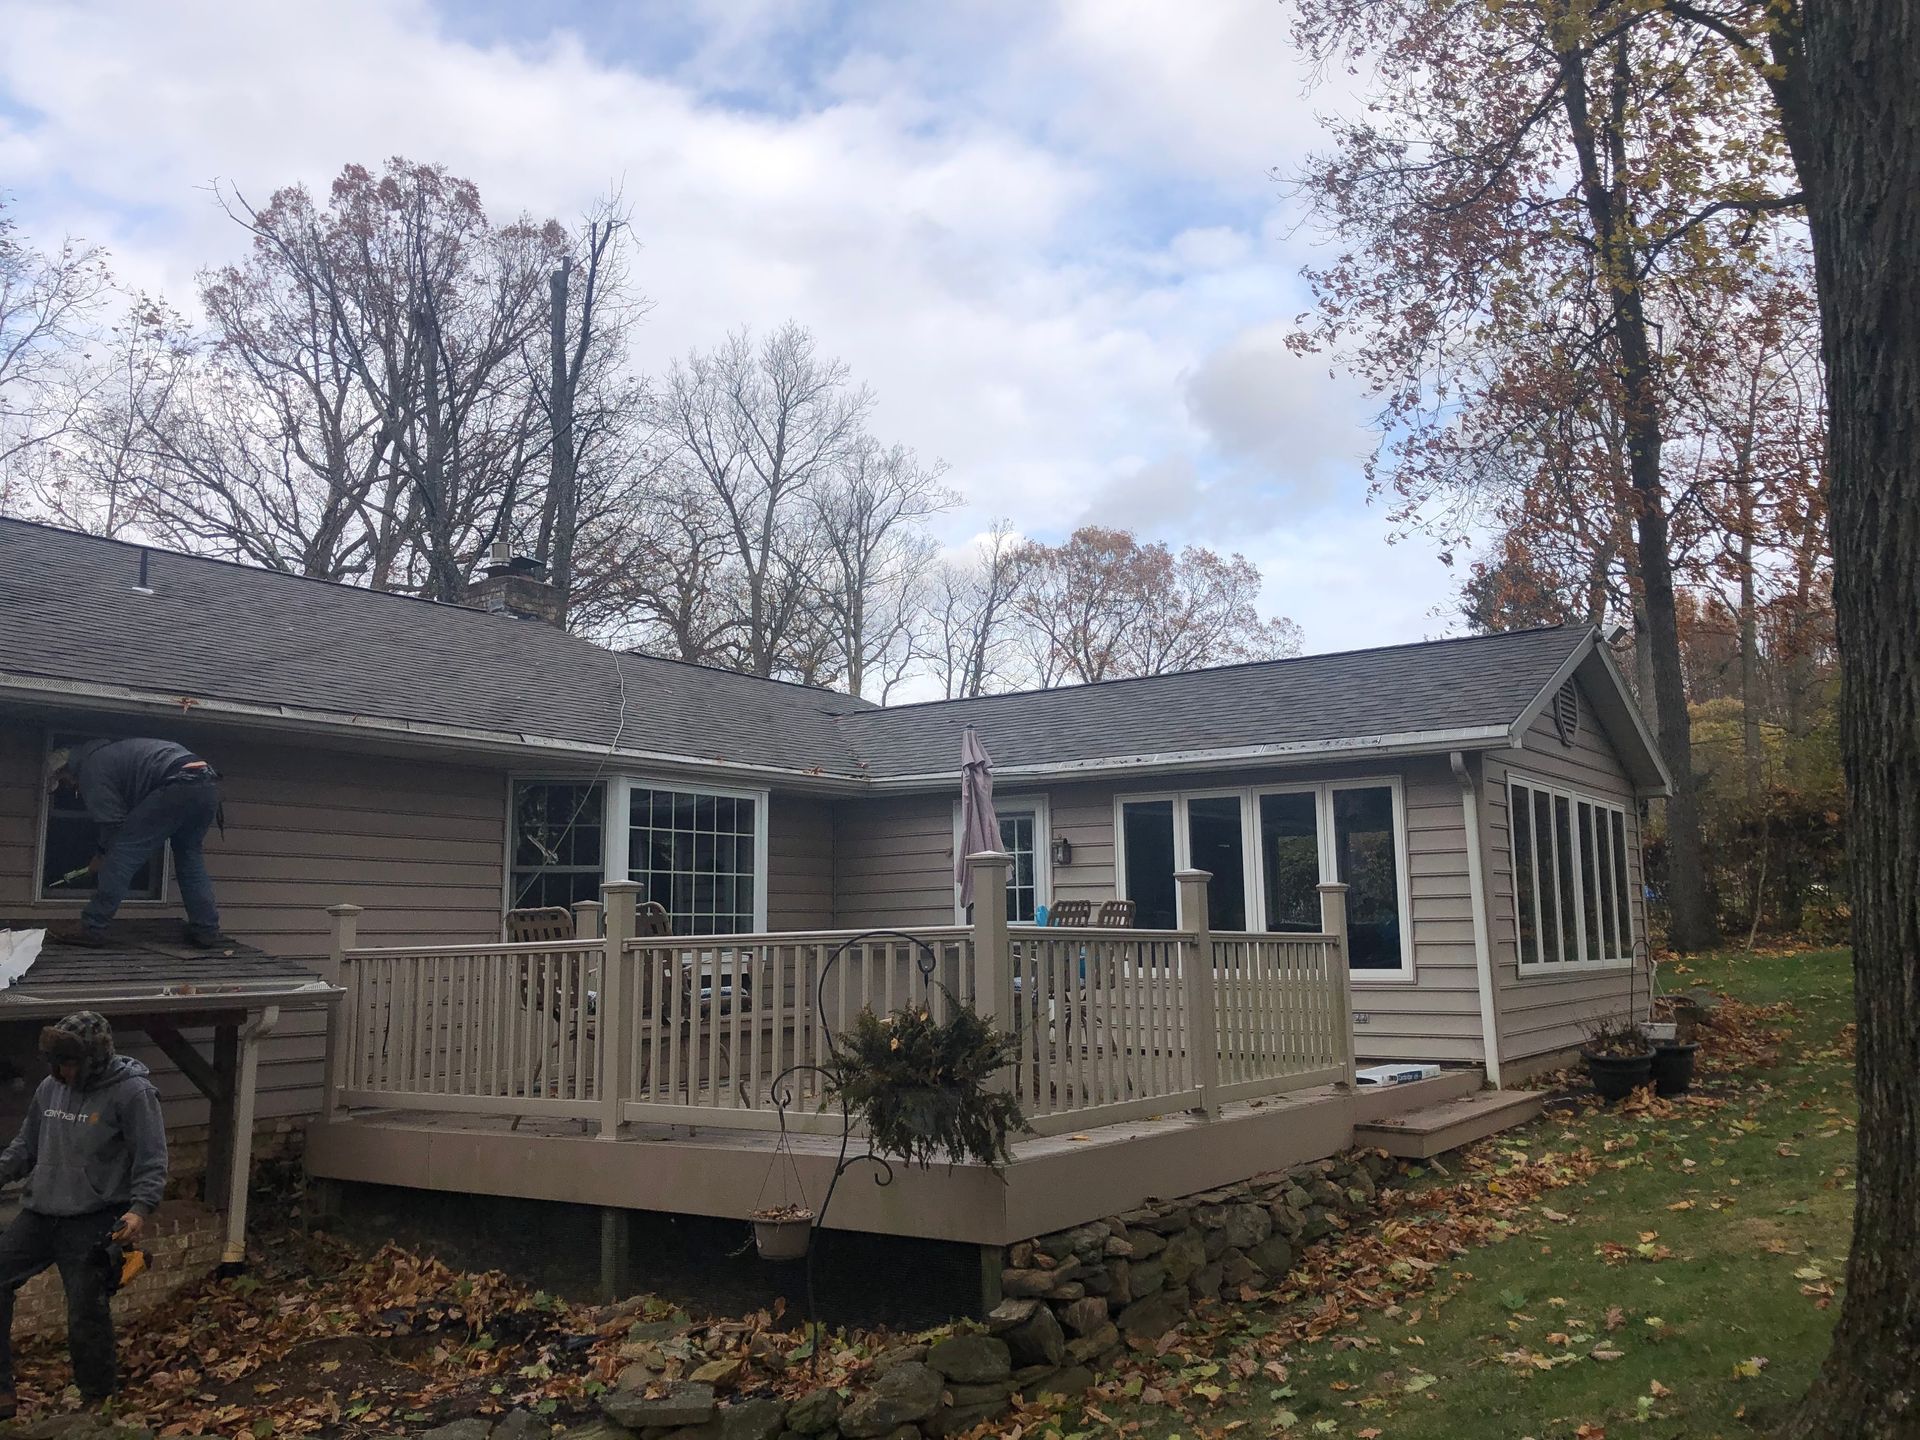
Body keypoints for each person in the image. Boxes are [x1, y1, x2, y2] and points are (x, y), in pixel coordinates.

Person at [0, 1012, 167, 1415]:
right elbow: (27, 1145)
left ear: (95, 1059)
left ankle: (97, 1401)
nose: (61, 1072)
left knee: (86, 1313)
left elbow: (152, 1158)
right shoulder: (49, 1087)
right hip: (41, 1212)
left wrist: (140, 1210)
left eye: (69, 1063)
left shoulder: (132, 1093)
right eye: (55, 1063)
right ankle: (2, 1393)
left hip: (93, 1217)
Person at [46, 738, 223, 948]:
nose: (70, 787)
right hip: (206, 784)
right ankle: (206, 930)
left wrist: (102, 855)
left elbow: (113, 825)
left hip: (178, 784)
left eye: (65, 782)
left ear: (68, 768)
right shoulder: (113, 756)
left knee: (121, 854)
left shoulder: (92, 769)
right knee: (189, 857)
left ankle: (92, 927)